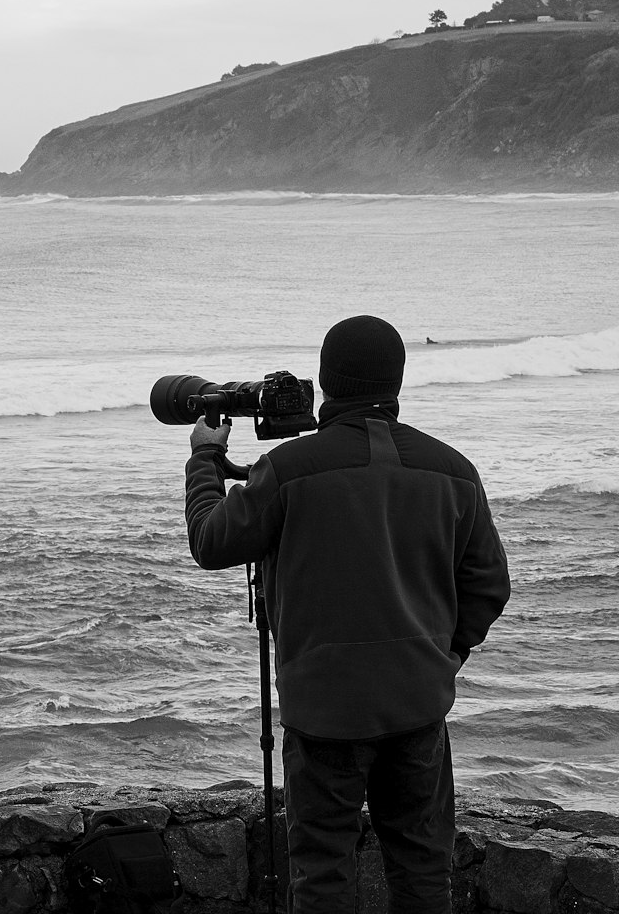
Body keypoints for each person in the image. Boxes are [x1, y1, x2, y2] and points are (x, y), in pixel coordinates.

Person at [183, 314, 510, 914]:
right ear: (399, 382)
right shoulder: (454, 472)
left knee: (324, 876)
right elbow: (489, 586)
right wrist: (445, 655)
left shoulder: (287, 472)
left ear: (323, 383)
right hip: (417, 703)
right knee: (422, 873)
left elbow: (211, 541)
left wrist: (205, 461)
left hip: (324, 713)